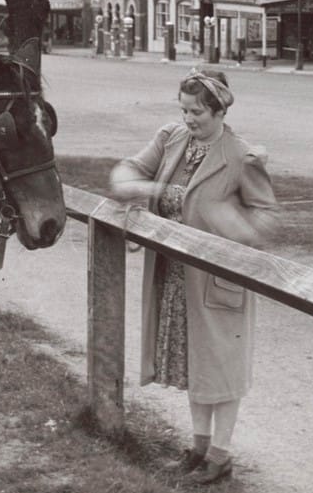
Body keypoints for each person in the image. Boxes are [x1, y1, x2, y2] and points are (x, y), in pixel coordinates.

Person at [110, 68, 278, 485]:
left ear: (219, 110)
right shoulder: (171, 139)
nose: (189, 119)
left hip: (219, 281)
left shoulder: (241, 156)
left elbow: (267, 220)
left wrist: (232, 224)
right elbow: (124, 173)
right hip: (175, 277)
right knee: (195, 368)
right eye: (184, 110)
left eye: (198, 112)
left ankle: (220, 456)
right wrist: (142, 190)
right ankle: (199, 449)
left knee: (222, 371)